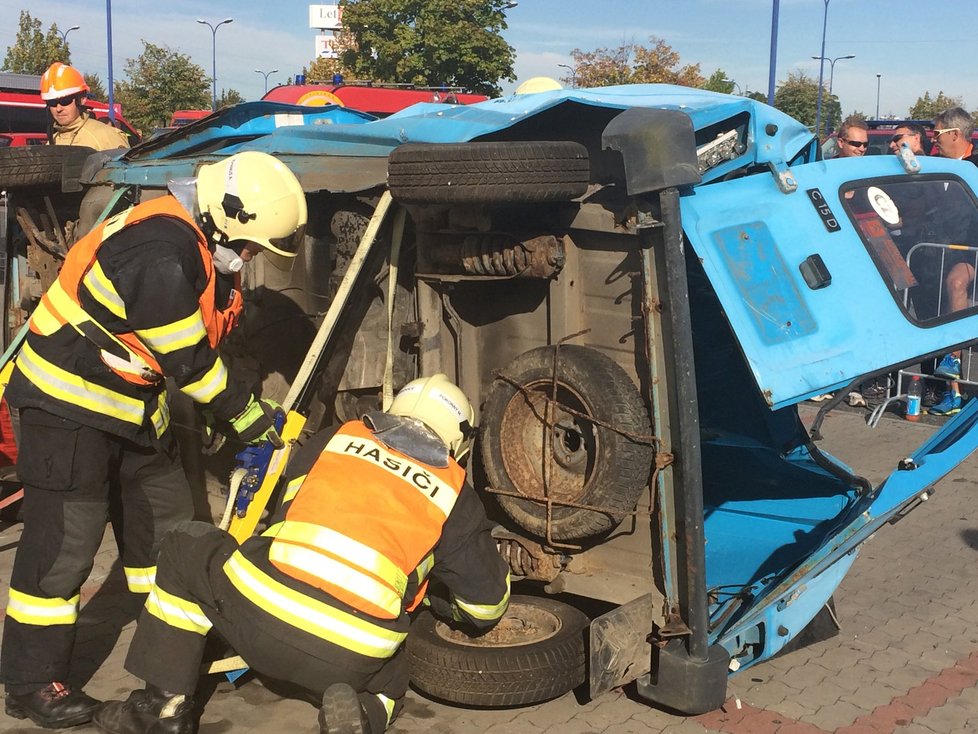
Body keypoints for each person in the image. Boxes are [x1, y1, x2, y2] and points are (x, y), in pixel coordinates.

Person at [1, 150, 308, 729]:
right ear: (223, 217)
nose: (248, 259)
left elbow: (183, 352)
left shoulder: (191, 242)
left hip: (129, 408)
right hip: (64, 410)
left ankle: (168, 647)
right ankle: (30, 683)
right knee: (64, 549)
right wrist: (246, 416)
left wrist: (228, 411)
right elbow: (189, 364)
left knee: (166, 524)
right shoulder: (159, 251)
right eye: (249, 247)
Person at [92, 374, 511, 734]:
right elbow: (485, 606)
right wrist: (441, 597)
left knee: (186, 544)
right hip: (350, 657)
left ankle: (162, 711)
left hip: (258, 622)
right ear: (458, 442)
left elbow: (285, 517)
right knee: (391, 676)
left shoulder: (338, 437)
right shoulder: (456, 492)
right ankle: (364, 715)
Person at [928, 107, 978, 415]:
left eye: (937, 134)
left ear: (955, 135)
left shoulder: (974, 168)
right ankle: (951, 392)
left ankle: (954, 360)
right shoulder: (937, 168)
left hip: (971, 251)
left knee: (956, 282)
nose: (934, 141)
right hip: (937, 252)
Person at [40, 62, 129, 150]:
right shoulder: (52, 142)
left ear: (82, 99)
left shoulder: (107, 137)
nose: (58, 109)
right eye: (52, 102)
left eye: (65, 101)